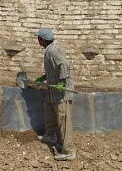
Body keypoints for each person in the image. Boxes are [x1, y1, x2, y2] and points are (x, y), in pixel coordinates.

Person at [34, 28, 76, 161]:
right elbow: (54, 68)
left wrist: (62, 83)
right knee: (49, 111)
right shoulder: (49, 50)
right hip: (53, 92)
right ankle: (50, 135)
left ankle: (69, 151)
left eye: (38, 38)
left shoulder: (53, 50)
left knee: (63, 121)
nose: (37, 41)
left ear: (42, 40)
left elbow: (64, 64)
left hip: (62, 93)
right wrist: (43, 78)